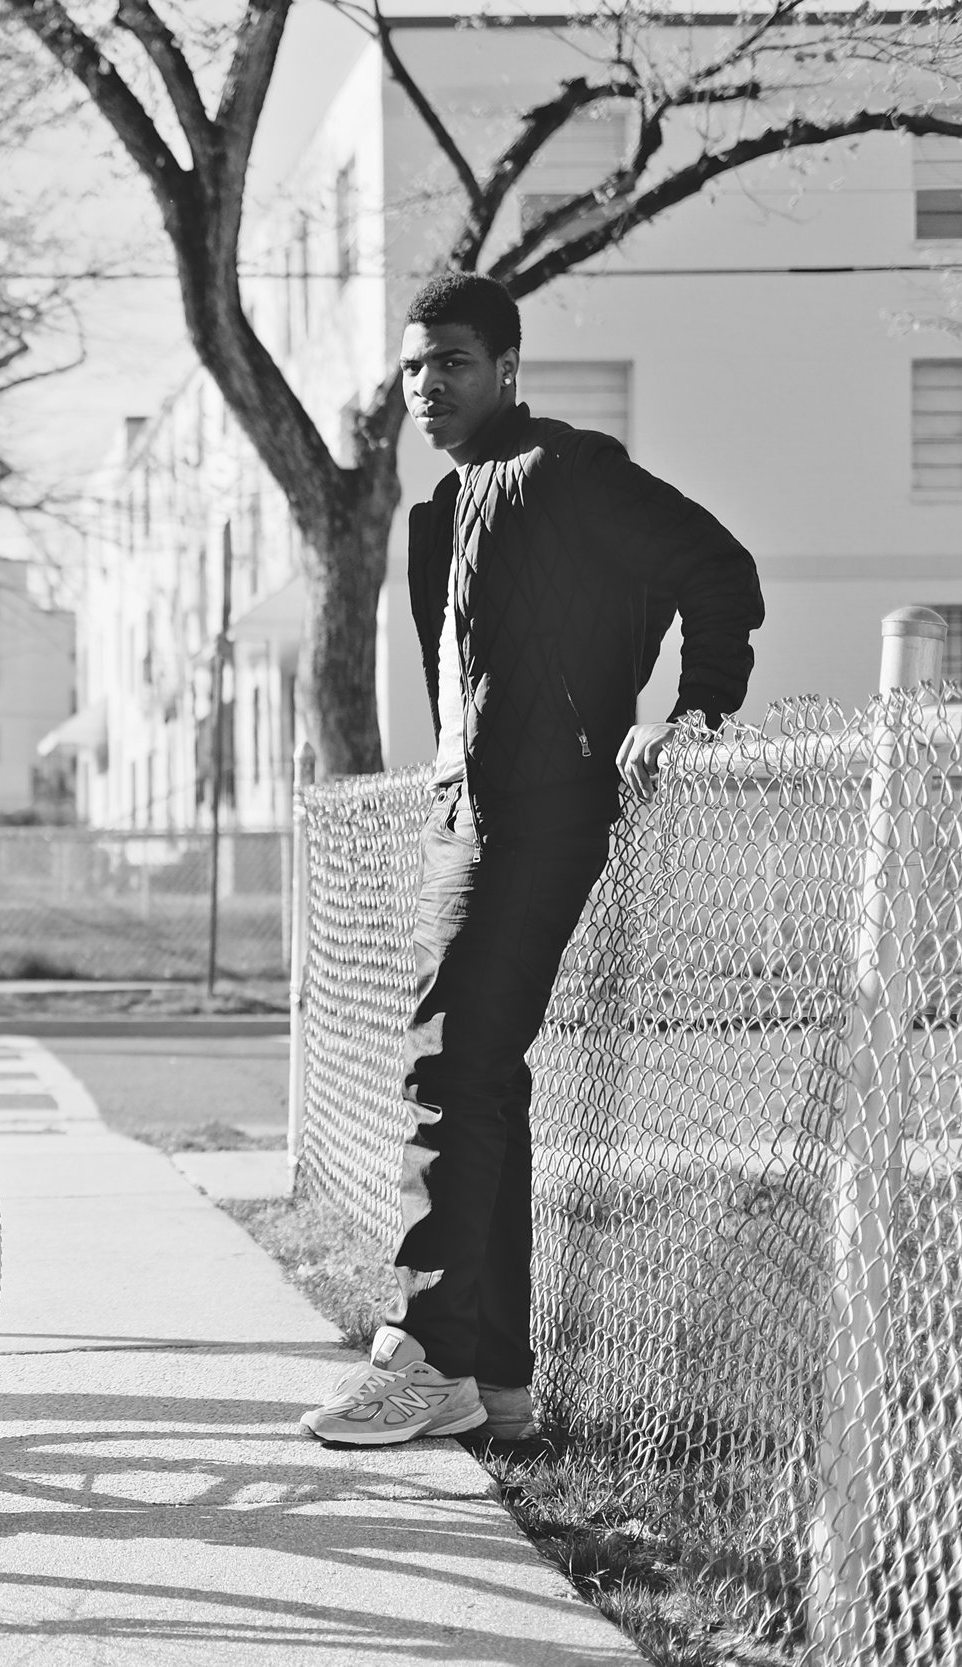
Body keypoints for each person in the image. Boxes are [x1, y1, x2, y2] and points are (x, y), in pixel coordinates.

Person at [300, 273, 764, 1446]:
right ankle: (494, 1380)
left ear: (506, 368)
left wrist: (691, 710)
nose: (426, 385)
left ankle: (425, 1350)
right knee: (481, 1082)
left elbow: (718, 570)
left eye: (451, 362)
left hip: (545, 806)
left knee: (444, 1067)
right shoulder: (430, 520)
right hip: (467, 808)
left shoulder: (564, 469)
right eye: (412, 367)